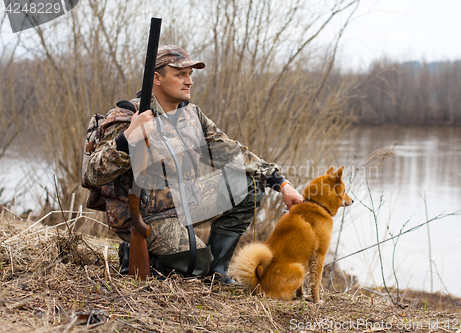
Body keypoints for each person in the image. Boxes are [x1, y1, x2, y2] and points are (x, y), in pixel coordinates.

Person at [86, 45, 304, 283]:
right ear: (156, 78)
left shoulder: (192, 116)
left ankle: (217, 273)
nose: (189, 81)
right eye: (180, 74)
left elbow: (233, 153)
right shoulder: (127, 115)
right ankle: (136, 256)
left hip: (184, 204)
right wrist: (128, 138)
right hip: (143, 218)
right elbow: (92, 175)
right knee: (196, 263)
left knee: (249, 185)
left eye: (190, 74)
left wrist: (281, 184)